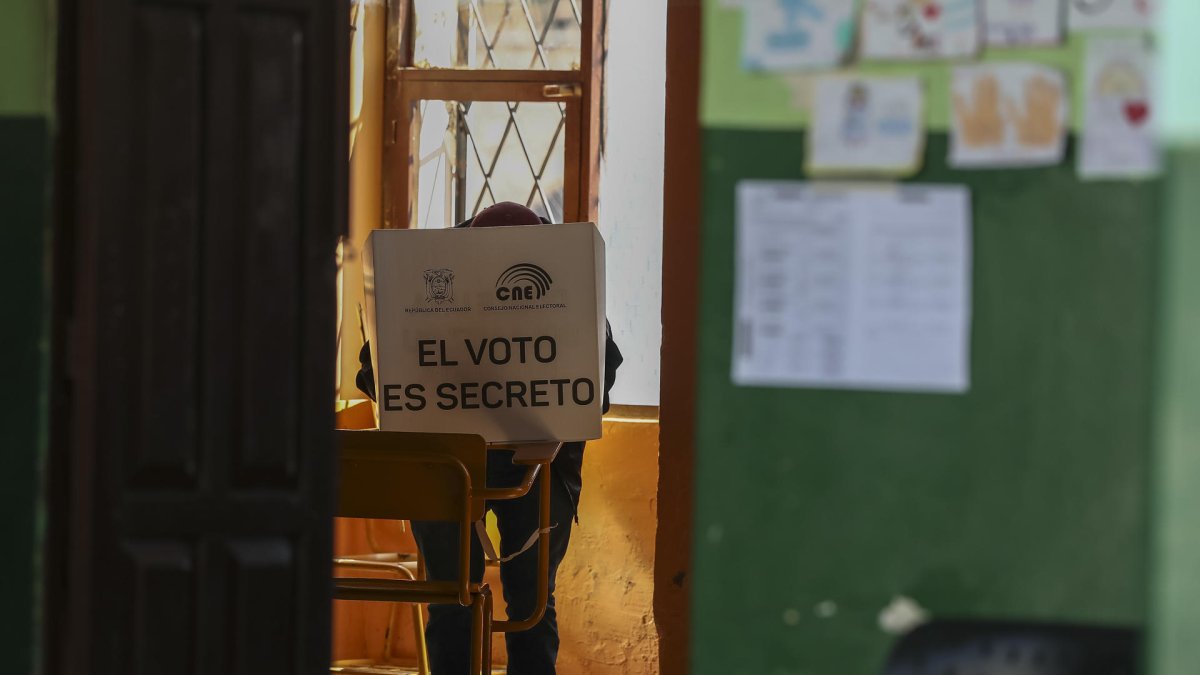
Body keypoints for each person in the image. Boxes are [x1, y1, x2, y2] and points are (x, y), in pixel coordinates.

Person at [355, 201, 623, 674]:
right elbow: (374, 370)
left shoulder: (567, 270)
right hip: (452, 458)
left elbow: (595, 389)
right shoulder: (427, 269)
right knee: (455, 595)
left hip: (531, 461)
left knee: (529, 602)